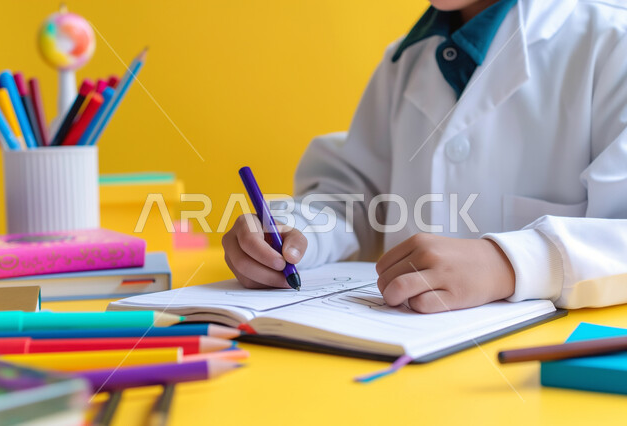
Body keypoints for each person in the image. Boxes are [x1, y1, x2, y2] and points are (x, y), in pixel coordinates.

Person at [222, 0, 627, 312]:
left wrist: (509, 264)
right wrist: (296, 233)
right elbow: (358, 200)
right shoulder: (407, 59)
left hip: (547, 372)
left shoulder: (613, 38)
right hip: (405, 356)